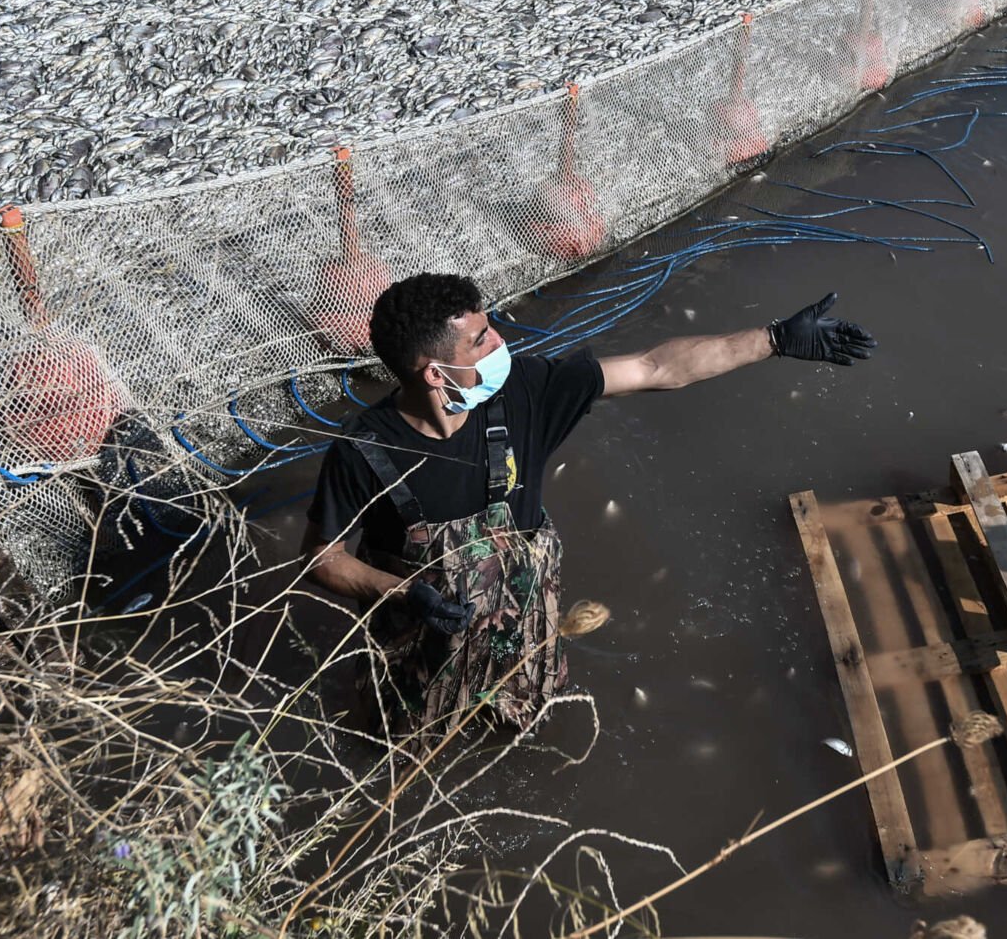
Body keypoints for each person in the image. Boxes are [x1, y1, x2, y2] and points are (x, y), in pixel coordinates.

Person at [300, 272, 875, 734]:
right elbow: (321, 559)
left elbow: (655, 367)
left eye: (491, 325)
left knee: (523, 726)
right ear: (433, 373)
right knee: (400, 743)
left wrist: (774, 340)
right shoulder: (364, 451)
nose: (501, 341)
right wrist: (402, 592)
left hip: (521, 637)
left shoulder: (525, 391)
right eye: (481, 339)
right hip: (419, 647)